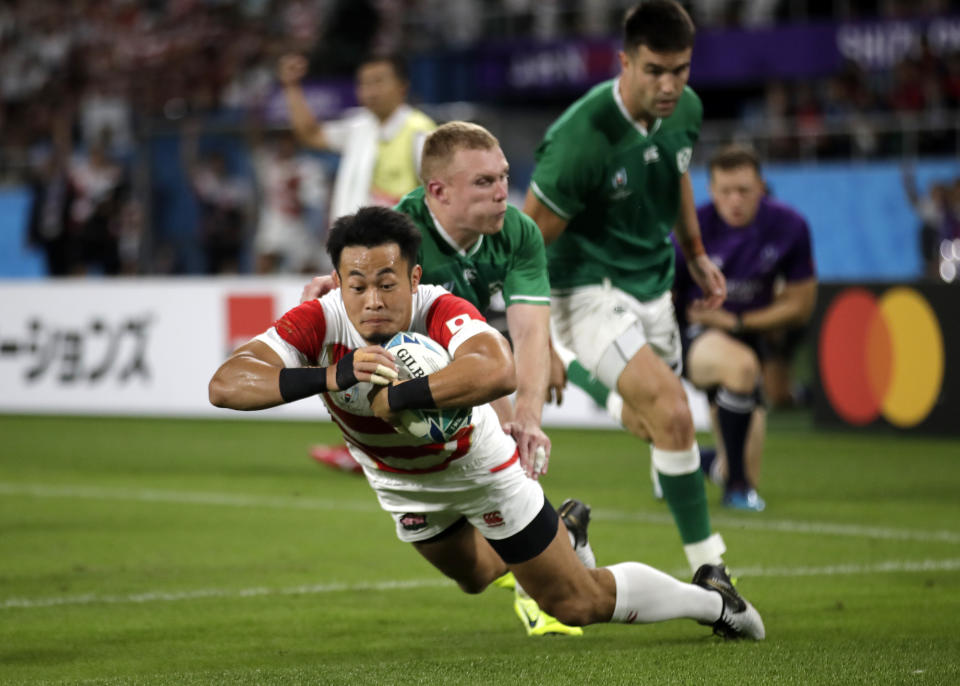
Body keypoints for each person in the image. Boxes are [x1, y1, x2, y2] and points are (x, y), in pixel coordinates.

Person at [207, 205, 765, 642]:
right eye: (357, 285)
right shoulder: (320, 321)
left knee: (574, 603)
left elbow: (499, 370)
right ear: (337, 281)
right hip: (399, 482)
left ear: (415, 276)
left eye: (387, 282)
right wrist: (332, 374)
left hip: (480, 467)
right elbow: (227, 384)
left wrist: (402, 395)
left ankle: (715, 600)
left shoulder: (440, 307)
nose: (372, 299)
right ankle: (564, 533)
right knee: (475, 577)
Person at [298, 121, 589, 636]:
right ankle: (549, 548)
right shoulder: (398, 235)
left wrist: (529, 418)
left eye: (503, 177)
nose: (502, 192)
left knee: (496, 401)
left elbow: (526, 330)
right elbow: (352, 288)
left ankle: (543, 578)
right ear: (438, 191)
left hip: (463, 367)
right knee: (474, 575)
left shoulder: (517, 231)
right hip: (408, 386)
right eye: (485, 182)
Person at [522, 0, 730, 575]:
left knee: (659, 426)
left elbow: (677, 172)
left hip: (653, 281)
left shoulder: (686, 109)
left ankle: (592, 381)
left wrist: (695, 254)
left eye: (680, 70)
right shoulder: (582, 137)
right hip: (586, 286)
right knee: (677, 416)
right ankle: (712, 571)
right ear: (625, 62)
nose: (669, 85)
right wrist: (534, 342)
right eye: (655, 70)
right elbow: (528, 245)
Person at [673, 144, 817, 511]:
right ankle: (736, 490)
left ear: (761, 188)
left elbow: (801, 305)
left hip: (749, 335)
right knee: (742, 368)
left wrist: (737, 321)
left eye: (744, 191)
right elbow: (665, 298)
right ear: (711, 190)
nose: (735, 200)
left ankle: (695, 467)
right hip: (695, 340)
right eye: (725, 191)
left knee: (740, 459)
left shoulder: (791, 226)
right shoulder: (690, 228)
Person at [277, 52, 436, 220]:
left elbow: (439, 196)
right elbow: (310, 135)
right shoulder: (359, 127)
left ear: (402, 87)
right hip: (358, 240)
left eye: (378, 82)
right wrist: (292, 86)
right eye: (364, 84)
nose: (371, 92)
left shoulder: (421, 131)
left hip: (403, 242)